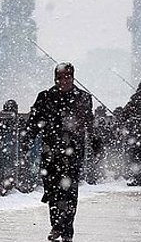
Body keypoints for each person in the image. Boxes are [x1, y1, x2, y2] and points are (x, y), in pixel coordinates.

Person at [21, 62, 96, 242]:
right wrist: (27, 140)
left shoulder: (83, 98)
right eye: (60, 77)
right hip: (51, 152)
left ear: (72, 77)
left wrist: (94, 140)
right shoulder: (45, 97)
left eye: (67, 77)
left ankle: (67, 230)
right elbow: (34, 122)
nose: (63, 81)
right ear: (55, 78)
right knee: (53, 191)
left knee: (69, 192)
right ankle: (56, 224)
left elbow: (89, 123)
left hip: (73, 152)